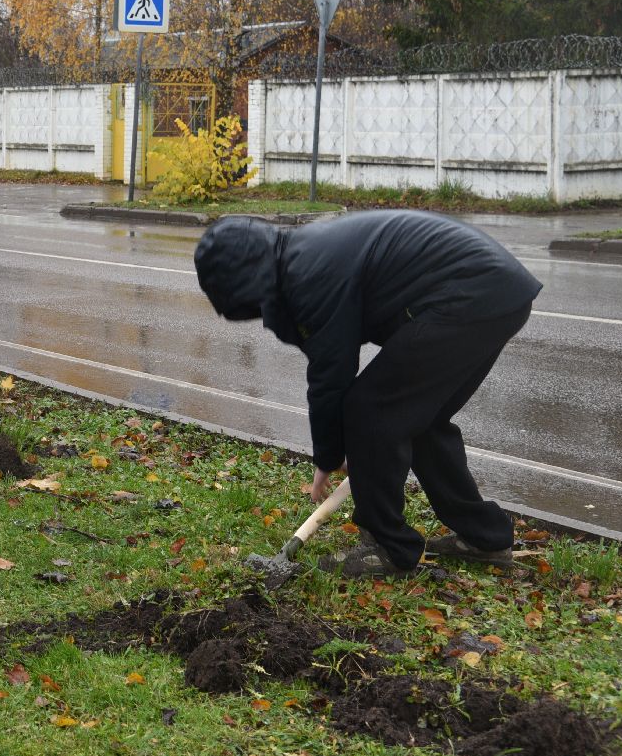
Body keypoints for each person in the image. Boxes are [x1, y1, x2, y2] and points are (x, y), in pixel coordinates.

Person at [192, 210, 543, 578]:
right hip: (496, 292)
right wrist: (338, 450)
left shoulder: (307, 275)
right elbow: (325, 357)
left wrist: (329, 456)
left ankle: (388, 547)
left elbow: (332, 374)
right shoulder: (299, 258)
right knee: (420, 420)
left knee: (371, 410)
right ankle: (484, 537)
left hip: (467, 295)